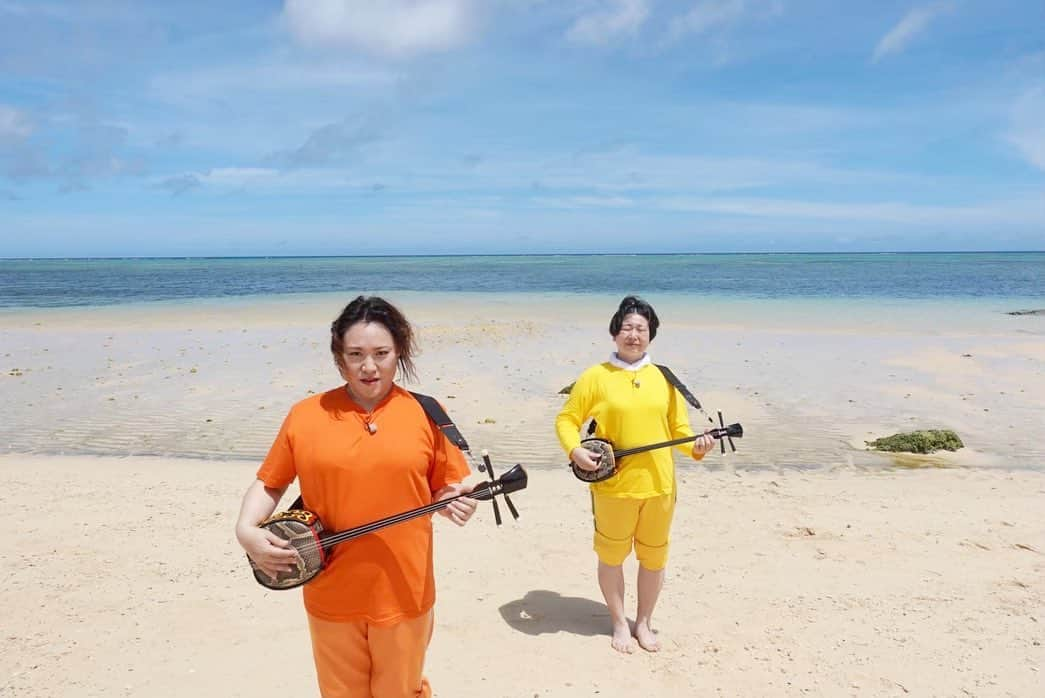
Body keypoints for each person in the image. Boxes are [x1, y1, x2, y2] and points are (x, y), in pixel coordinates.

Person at [235, 295, 477, 698]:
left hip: (404, 589)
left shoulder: (427, 413)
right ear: (338, 356)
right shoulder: (306, 414)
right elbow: (270, 483)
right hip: (329, 588)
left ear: (398, 351)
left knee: (402, 691)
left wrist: (458, 501)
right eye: (356, 354)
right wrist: (245, 529)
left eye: (381, 353)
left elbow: (445, 487)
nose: (369, 366)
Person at [555, 295, 714, 654]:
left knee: (654, 558)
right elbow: (567, 419)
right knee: (611, 556)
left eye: (641, 329)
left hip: (659, 486)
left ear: (651, 335)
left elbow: (679, 430)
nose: (634, 334)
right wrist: (575, 450)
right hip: (613, 487)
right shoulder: (596, 377)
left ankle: (643, 623)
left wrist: (697, 449)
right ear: (614, 332)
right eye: (627, 327)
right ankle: (617, 622)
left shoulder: (664, 378)